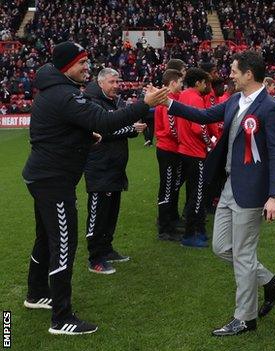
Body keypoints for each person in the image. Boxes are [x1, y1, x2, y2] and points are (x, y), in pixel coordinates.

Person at [21, 41, 167, 335]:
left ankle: (36, 294)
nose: (86, 68)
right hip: (54, 181)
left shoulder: (54, 91)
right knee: (63, 245)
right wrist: (144, 105)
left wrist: (87, 138)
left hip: (43, 177)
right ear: (66, 66)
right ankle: (61, 318)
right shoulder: (63, 94)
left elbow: (52, 133)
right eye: (81, 63)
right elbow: (105, 120)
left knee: (45, 239)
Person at [160, 50, 275, 336]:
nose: (229, 75)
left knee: (243, 254)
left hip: (253, 192)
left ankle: (245, 317)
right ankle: (270, 282)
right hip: (229, 186)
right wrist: (169, 102)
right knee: (221, 247)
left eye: (233, 70)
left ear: (248, 74)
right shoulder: (234, 100)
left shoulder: (270, 108)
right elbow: (203, 115)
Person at [83, 68, 147, 274]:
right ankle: (95, 258)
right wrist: (130, 129)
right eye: (111, 82)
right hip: (99, 168)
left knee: (111, 214)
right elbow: (102, 131)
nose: (116, 85)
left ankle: (107, 249)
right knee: (98, 215)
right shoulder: (92, 102)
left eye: (117, 81)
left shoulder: (115, 102)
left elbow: (120, 126)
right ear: (101, 83)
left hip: (115, 168)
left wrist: (130, 128)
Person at [175, 68, 214, 247]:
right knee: (197, 195)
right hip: (195, 151)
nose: (206, 86)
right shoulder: (196, 98)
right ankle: (191, 234)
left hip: (184, 149)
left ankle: (198, 229)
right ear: (198, 82)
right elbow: (199, 127)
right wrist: (209, 143)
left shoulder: (183, 95)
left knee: (192, 192)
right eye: (205, 82)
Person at [154, 69, 185, 241]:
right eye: (180, 82)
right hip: (168, 149)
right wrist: (184, 139)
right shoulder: (167, 101)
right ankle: (164, 228)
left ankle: (171, 222)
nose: (182, 85)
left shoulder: (170, 99)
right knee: (167, 189)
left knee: (171, 187)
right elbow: (171, 128)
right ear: (173, 83)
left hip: (171, 148)